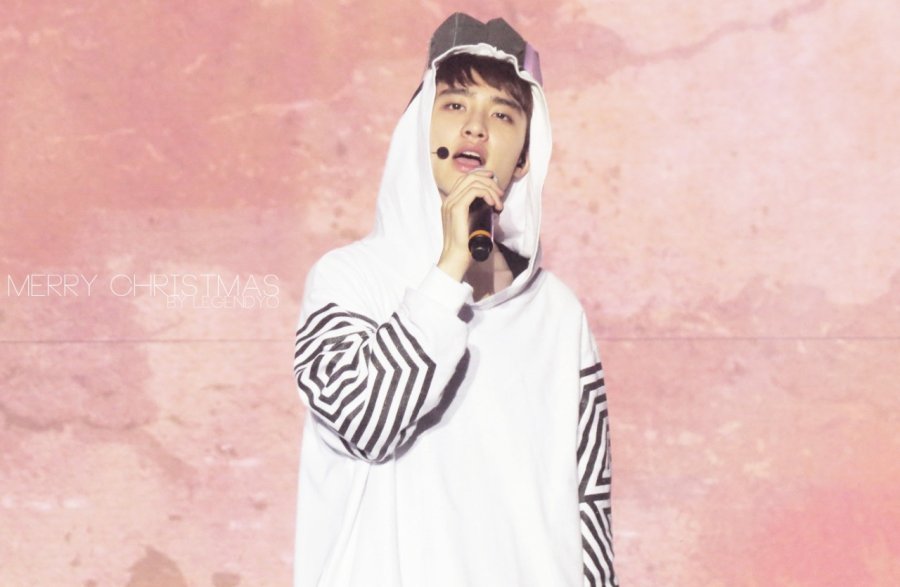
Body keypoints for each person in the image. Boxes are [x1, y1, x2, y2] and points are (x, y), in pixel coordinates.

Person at [293, 13, 616, 586]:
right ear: (421, 126)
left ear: (524, 157)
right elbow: (364, 424)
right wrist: (447, 273)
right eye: (454, 104)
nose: (475, 128)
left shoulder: (558, 314)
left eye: (502, 114)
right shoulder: (348, 280)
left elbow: (589, 508)